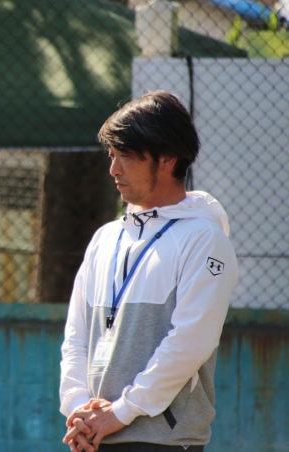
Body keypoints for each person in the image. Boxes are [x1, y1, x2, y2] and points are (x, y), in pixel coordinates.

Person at [59, 91, 238, 452]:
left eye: (126, 156)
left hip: (162, 440)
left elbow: (191, 341)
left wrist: (123, 411)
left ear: (168, 158)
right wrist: (78, 407)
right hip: (95, 435)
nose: (114, 169)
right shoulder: (105, 238)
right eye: (112, 155)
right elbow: (76, 337)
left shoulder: (204, 237)